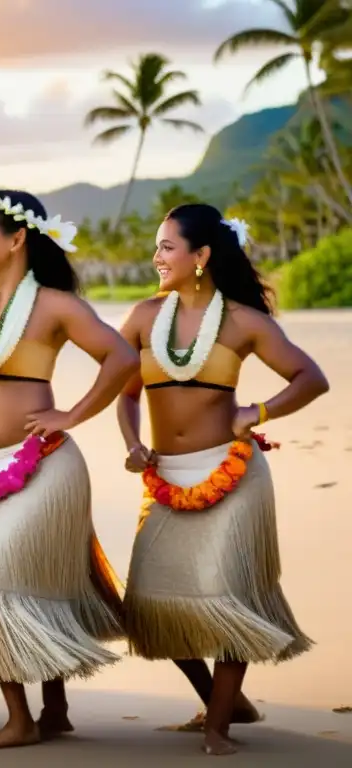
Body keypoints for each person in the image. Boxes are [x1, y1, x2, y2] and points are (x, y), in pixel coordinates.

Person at [117, 204, 328, 756]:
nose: (156, 256)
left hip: (233, 478)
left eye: (167, 247)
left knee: (233, 598)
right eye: (157, 245)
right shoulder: (143, 317)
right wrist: (133, 444)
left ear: (201, 256)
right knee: (151, 602)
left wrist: (255, 413)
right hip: (167, 476)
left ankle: (217, 727)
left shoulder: (242, 321)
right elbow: (125, 391)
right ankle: (223, 699)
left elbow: (312, 378)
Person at [0, 182, 135, 750]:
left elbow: (119, 357)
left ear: (17, 237)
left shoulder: (54, 304)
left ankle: (23, 719)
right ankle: (51, 706)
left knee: (3, 585)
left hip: (43, 465)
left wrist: (71, 414)